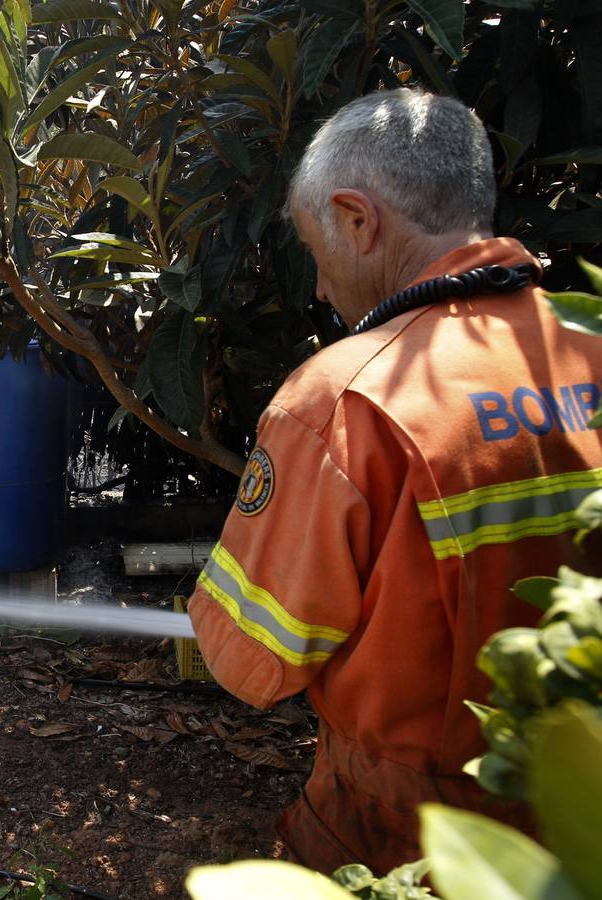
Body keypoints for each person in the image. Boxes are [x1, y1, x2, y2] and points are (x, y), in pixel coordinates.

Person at [186, 88, 602, 873]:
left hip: (419, 838)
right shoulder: (590, 343)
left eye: (316, 253)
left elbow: (254, 660)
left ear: (357, 219)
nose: (317, 288)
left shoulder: (346, 399)